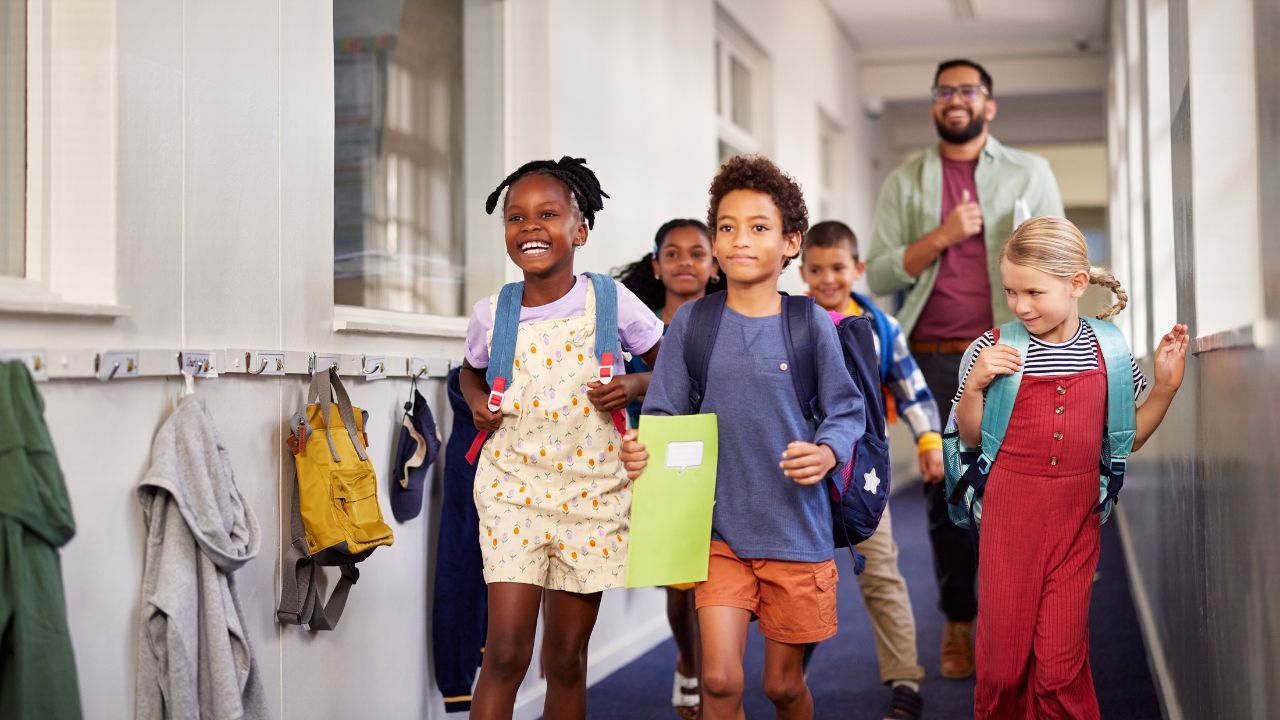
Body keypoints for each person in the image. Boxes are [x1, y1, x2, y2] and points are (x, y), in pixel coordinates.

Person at [620, 155, 862, 720]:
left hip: (796, 534)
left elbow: (846, 412)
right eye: (726, 228)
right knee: (720, 680)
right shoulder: (693, 326)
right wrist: (640, 450)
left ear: (790, 243)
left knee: (782, 687)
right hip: (718, 532)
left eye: (758, 228)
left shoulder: (810, 325)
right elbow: (663, 416)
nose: (739, 241)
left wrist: (826, 451)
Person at [864, 58, 1064, 679]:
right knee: (949, 491)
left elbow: (1057, 259)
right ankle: (959, 621)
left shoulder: (1031, 172)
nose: (956, 99)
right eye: (945, 90)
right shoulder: (906, 181)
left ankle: (1022, 623)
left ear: (989, 104)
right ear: (933, 105)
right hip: (935, 358)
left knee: (1022, 491)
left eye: (968, 90)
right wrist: (944, 235)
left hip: (1017, 354)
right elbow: (879, 273)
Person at [953, 217, 1187, 718]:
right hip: (1008, 523)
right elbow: (971, 437)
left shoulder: (1113, 352)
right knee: (1002, 665)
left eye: (1034, 292)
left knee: (1061, 665)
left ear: (1077, 283)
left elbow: (1127, 440)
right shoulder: (991, 348)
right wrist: (975, 386)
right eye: (1011, 291)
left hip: (1077, 524)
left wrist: (1165, 388)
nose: (1019, 305)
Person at [459, 157, 665, 720]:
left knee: (567, 657)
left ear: (580, 231)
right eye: (516, 217)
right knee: (503, 654)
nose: (529, 226)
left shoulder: (612, 300)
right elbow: (469, 371)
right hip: (511, 492)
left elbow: (670, 365)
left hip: (591, 493)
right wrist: (477, 402)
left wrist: (635, 383)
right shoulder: (492, 312)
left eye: (547, 214)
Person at [798, 220, 938, 719]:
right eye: (816, 269)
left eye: (838, 267)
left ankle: (906, 679)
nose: (828, 278)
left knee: (880, 573)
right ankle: (794, 675)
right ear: (802, 272)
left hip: (863, 475)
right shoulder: (791, 321)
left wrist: (928, 439)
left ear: (857, 269)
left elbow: (910, 385)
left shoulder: (880, 326)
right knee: (804, 579)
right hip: (804, 473)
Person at [614, 218, 720, 720]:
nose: (684, 263)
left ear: (714, 264)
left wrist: (640, 383)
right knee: (679, 581)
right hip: (656, 457)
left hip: (720, 453)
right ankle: (689, 659)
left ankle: (717, 672)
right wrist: (635, 386)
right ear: (656, 265)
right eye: (672, 254)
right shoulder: (635, 325)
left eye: (697, 253)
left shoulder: (726, 318)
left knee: (718, 575)